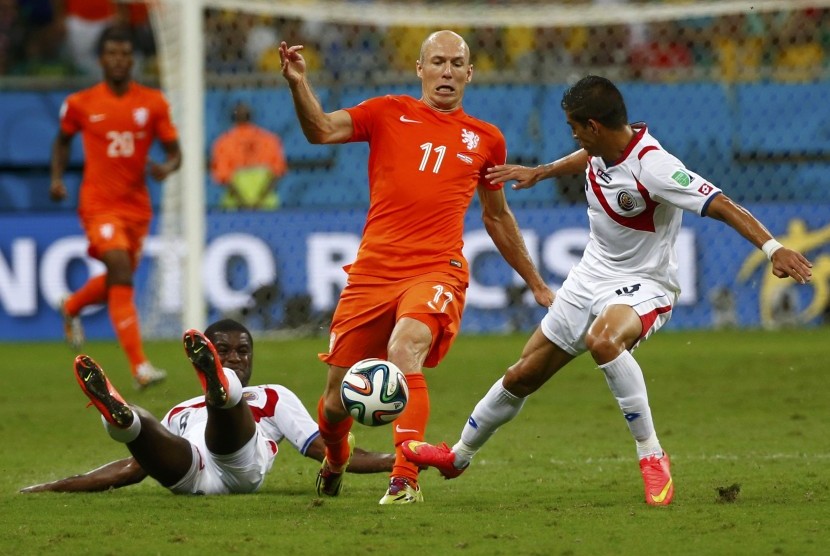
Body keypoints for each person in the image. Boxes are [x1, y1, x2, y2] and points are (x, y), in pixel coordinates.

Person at [402, 75, 814, 506]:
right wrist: (541, 172)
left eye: (575, 127)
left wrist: (773, 248)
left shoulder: (655, 167)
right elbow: (587, 157)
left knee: (604, 339)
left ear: (595, 125)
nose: (574, 135)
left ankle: (651, 455)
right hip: (588, 277)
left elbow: (723, 204)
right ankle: (458, 457)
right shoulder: (605, 146)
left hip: (645, 284)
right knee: (522, 374)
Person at [278, 30, 553, 505]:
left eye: (456, 64)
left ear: (470, 73)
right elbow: (320, 129)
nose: (447, 72)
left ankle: (405, 477)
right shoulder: (387, 111)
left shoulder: (487, 139)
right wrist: (299, 84)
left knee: (406, 348)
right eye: (438, 62)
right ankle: (337, 457)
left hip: (436, 268)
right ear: (420, 69)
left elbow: (496, 215)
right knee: (336, 399)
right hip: (373, 272)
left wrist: (538, 284)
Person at [20, 319, 394, 494]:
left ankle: (221, 394)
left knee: (224, 417)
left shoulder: (272, 396)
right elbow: (133, 468)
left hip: (240, 465)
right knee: (141, 425)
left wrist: (396, 460)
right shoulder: (182, 411)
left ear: (252, 358)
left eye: (242, 351)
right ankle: (122, 418)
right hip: (189, 473)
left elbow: (321, 448)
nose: (236, 357)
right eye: (224, 351)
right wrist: (55, 487)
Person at [50, 25, 181, 389]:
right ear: (101, 59)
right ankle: (140, 367)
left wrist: (165, 168)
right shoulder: (81, 103)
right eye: (112, 54)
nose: (119, 60)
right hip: (98, 204)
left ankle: (73, 305)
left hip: (137, 208)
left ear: (133, 59)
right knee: (121, 268)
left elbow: (176, 154)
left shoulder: (153, 102)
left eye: (125, 54)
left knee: (118, 279)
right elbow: (62, 142)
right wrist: (57, 179)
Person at [209, 101, 288, 210]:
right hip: (267, 206)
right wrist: (259, 201)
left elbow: (223, 178)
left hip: (235, 207)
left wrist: (243, 203)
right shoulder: (270, 140)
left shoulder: (223, 142)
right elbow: (277, 173)